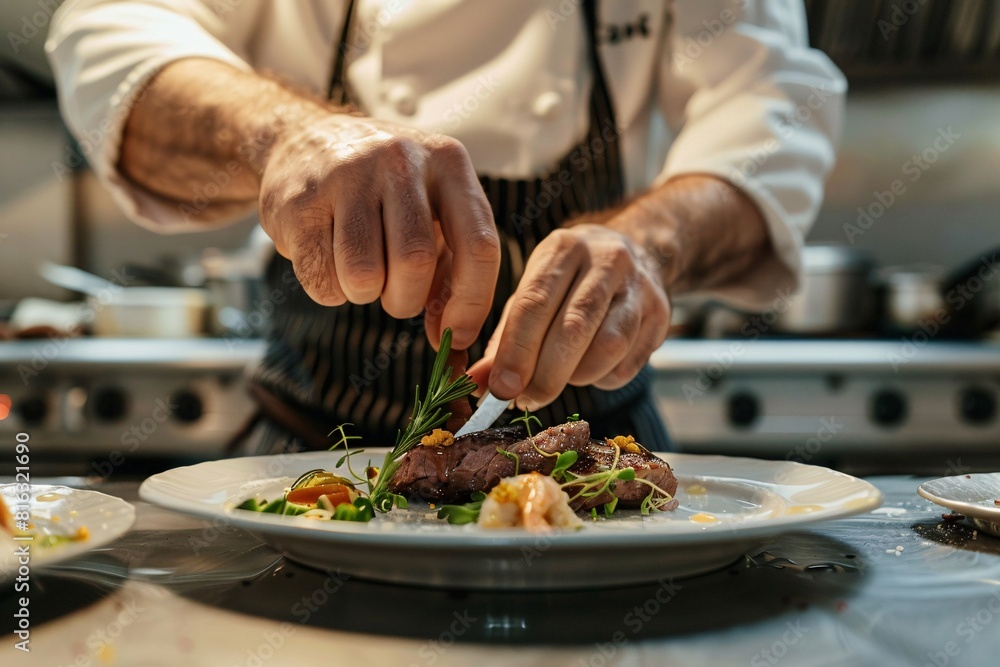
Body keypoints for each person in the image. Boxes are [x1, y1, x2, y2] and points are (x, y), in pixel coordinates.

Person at [46, 0, 845, 453]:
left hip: (596, 460)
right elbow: (112, 33)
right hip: (302, 464)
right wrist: (284, 136)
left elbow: (777, 102)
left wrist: (652, 245)